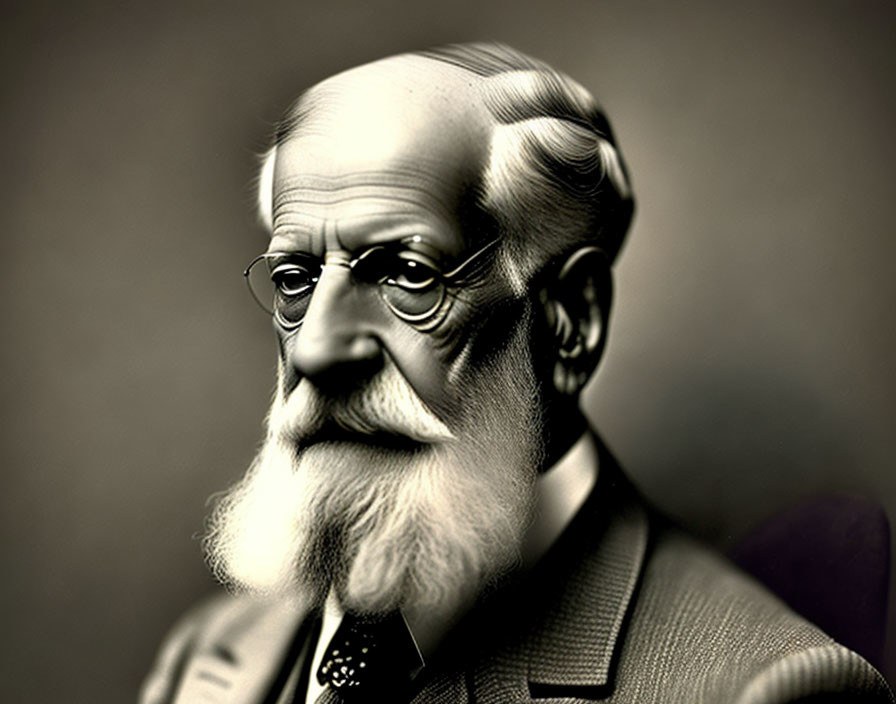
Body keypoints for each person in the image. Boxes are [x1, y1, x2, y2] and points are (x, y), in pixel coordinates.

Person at [140, 43, 893, 704]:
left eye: (408, 273)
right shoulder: (211, 655)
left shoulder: (767, 690)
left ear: (569, 316)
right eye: (296, 280)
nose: (316, 351)